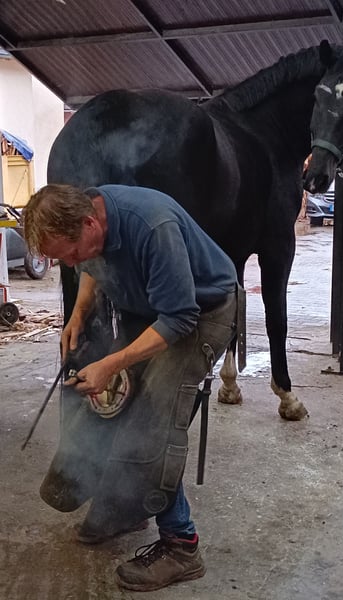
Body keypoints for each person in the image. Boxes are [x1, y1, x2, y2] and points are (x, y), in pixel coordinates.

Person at [23, 183, 241, 592]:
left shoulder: (154, 227)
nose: (70, 264)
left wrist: (110, 363)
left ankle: (182, 546)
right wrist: (78, 313)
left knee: (152, 422)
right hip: (153, 310)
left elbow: (179, 317)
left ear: (90, 223)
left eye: (70, 253)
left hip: (201, 314)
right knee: (110, 402)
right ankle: (127, 507)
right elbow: (91, 266)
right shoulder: (89, 219)